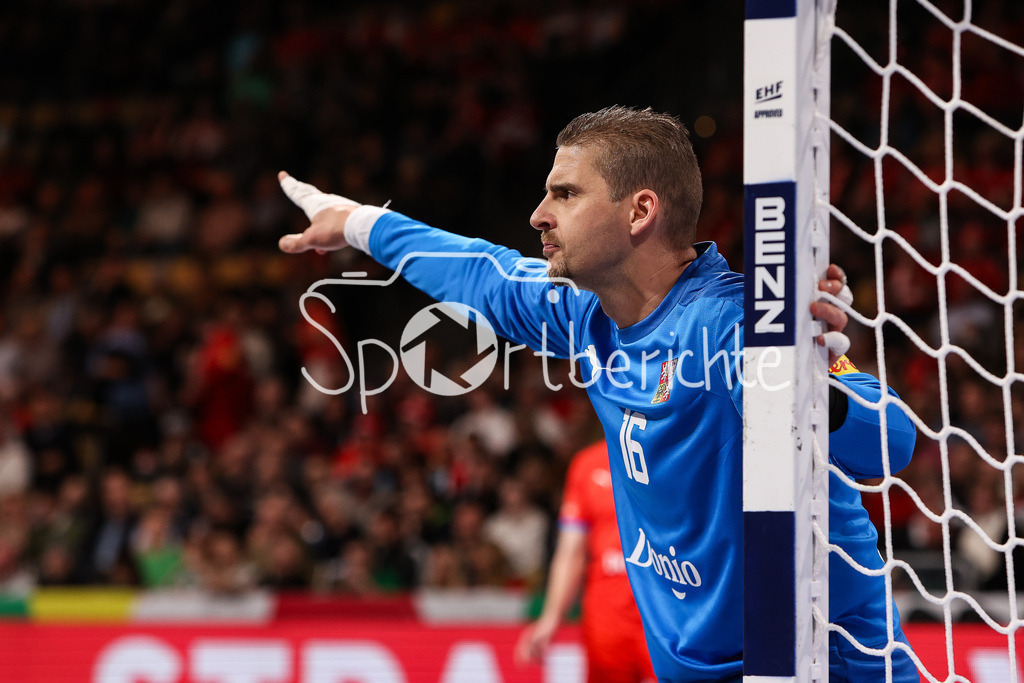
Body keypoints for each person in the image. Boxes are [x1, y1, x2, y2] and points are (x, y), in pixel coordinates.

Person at [276, 106, 918, 681]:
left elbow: (891, 442)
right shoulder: (586, 316)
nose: (538, 215)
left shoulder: (735, 322)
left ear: (640, 211)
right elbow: (480, 271)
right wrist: (360, 223)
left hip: (820, 657)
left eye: (566, 193)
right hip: (694, 664)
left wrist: (813, 399)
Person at [515, 441, 655, 683]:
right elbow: (571, 550)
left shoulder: (680, 451)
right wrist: (551, 617)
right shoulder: (587, 464)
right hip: (607, 616)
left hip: (667, 609)